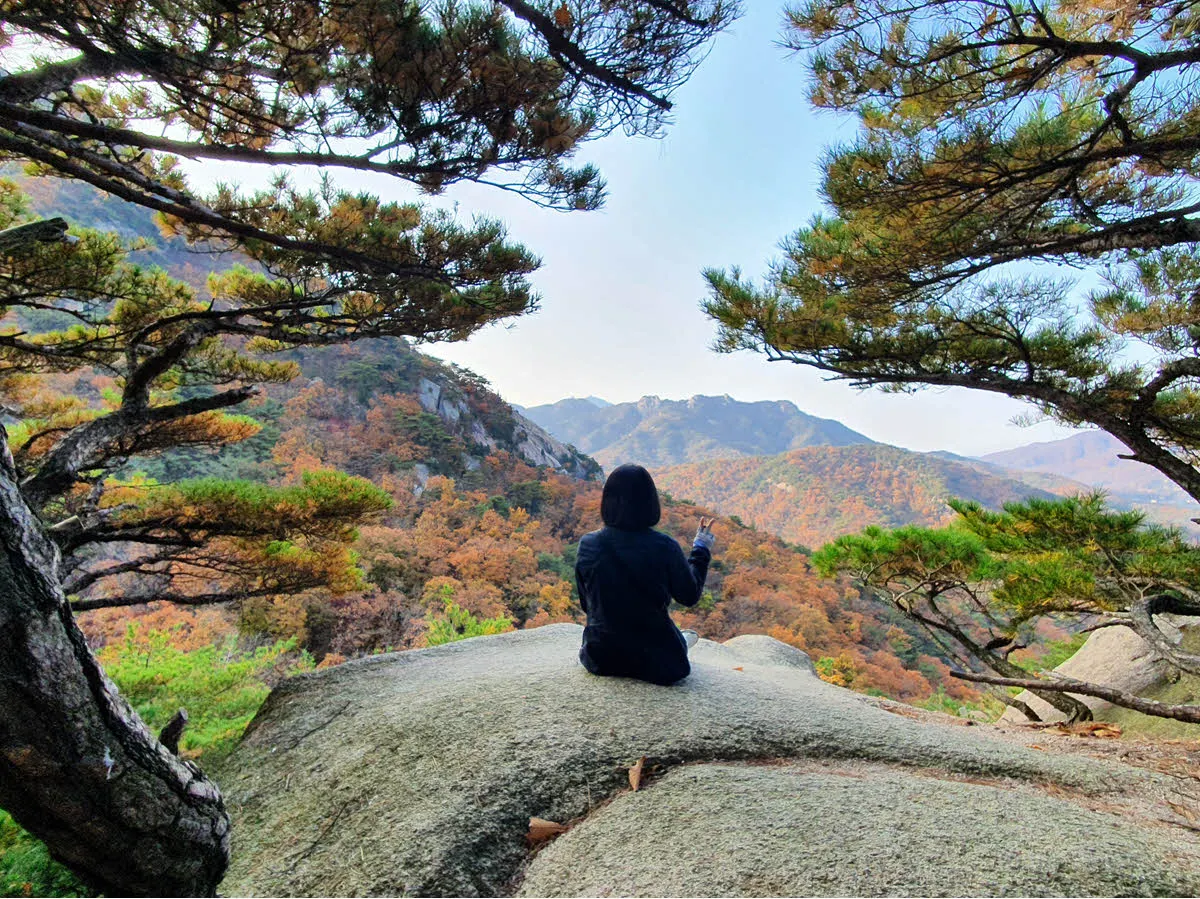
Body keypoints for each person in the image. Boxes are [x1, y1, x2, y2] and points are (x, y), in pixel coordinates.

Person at [574, 463, 716, 686]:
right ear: (650, 503)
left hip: (601, 657)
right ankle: (680, 639)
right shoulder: (664, 546)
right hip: (658, 663)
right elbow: (689, 596)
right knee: (670, 636)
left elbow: (587, 604)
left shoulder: (588, 544)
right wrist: (701, 548)